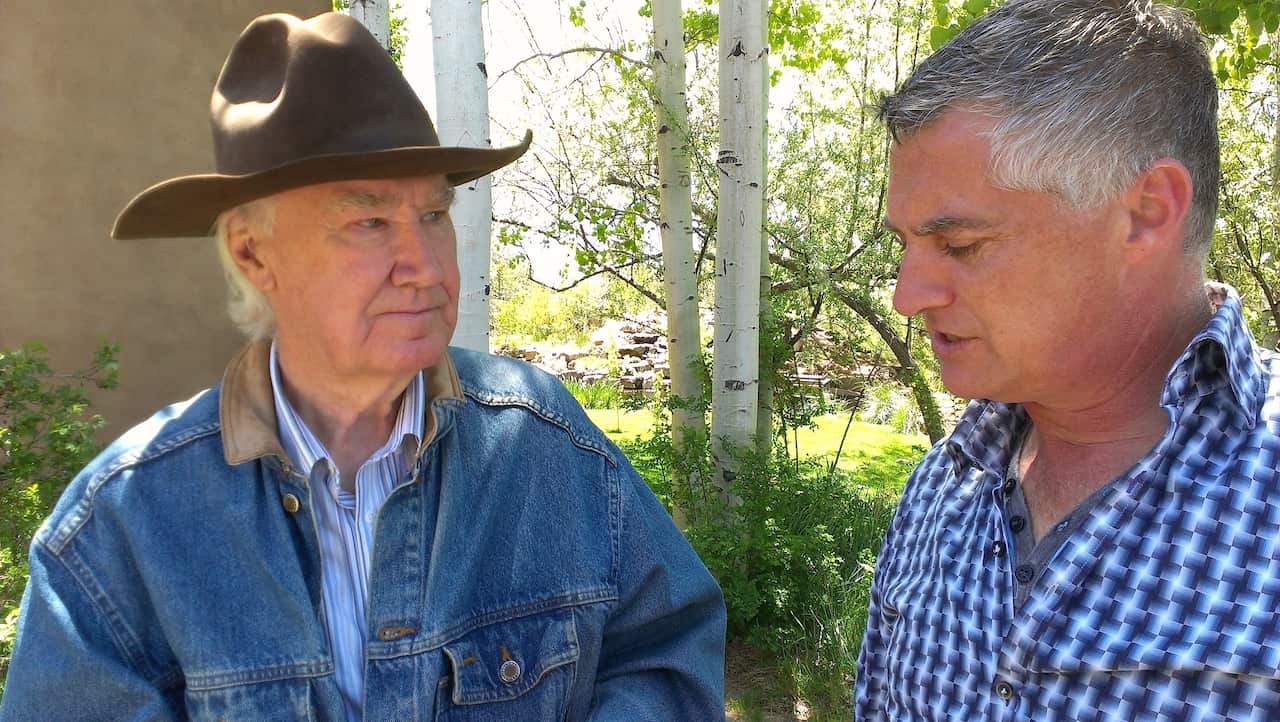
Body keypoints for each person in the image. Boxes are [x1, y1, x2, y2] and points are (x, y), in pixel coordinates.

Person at [0, 12, 725, 721]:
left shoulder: (544, 445)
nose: (424, 266)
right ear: (254, 253)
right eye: (370, 222)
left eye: (434, 215)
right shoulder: (124, 527)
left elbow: (666, 650)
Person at [856, 0, 1280, 719]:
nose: (906, 296)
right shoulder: (940, 488)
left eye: (960, 245)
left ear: (1146, 212)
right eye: (907, 245)